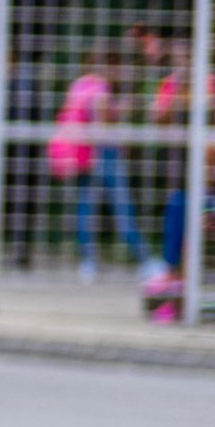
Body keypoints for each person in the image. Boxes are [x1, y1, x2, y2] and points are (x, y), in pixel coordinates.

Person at [51, 52, 138, 280]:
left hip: (83, 152)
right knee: (121, 206)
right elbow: (102, 119)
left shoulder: (78, 86)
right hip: (104, 151)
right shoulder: (101, 88)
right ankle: (144, 258)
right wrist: (121, 111)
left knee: (86, 207)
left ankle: (87, 260)